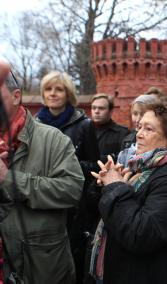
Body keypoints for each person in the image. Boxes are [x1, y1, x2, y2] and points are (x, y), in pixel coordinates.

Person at [90, 100, 167, 284]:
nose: (139, 135)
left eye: (149, 129)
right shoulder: (144, 167)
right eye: (139, 127)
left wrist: (115, 187)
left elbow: (143, 234)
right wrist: (107, 184)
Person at [0, 63, 84, 283]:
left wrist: (9, 179)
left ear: (16, 96)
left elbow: (72, 190)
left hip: (40, 267)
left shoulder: (53, 139)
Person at [36, 70, 100, 284]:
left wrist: (67, 163)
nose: (53, 94)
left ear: (68, 94)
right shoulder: (34, 125)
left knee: (71, 260)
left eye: (59, 89)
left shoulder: (84, 125)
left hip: (73, 206)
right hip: (40, 200)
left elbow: (94, 165)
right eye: (48, 89)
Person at [118, 94, 159, 167]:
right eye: (135, 114)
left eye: (143, 114)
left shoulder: (157, 140)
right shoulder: (127, 140)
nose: (138, 119)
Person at [91, 94, 129, 162]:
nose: (96, 111)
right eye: (94, 108)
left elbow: (124, 158)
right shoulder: (83, 131)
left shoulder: (122, 133)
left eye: (101, 108)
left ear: (110, 111)